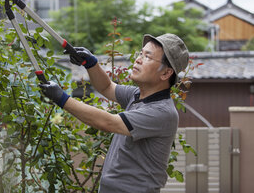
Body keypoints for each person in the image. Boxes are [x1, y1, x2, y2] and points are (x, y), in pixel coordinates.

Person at [39, 33, 189, 193]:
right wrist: (90, 63)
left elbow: (108, 122)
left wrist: (62, 99)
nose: (138, 59)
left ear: (166, 73)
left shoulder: (161, 111)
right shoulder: (137, 95)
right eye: (141, 53)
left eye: (148, 57)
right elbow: (106, 87)